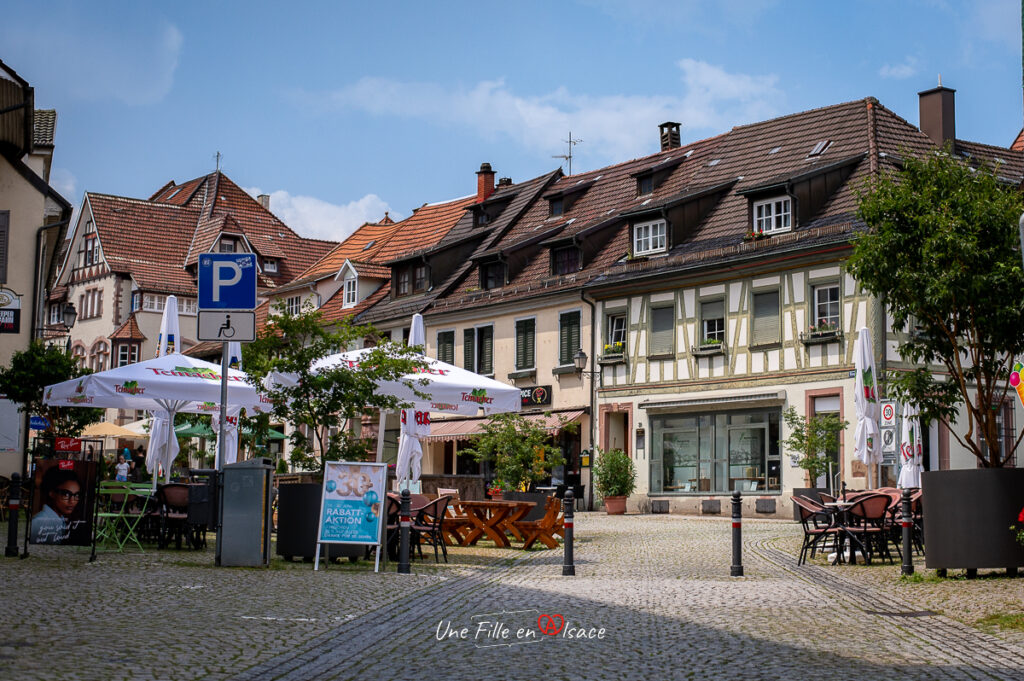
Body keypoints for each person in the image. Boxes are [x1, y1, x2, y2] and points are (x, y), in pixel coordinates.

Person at [30, 466, 85, 544]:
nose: (72, 501)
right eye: (66, 494)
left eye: (76, 495)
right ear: (51, 493)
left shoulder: (61, 519)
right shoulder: (39, 522)